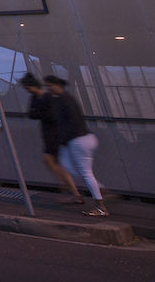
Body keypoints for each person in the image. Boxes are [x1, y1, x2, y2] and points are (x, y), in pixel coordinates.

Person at [45, 75, 108, 217]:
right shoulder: (66, 98)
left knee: (85, 172)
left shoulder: (64, 100)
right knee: (67, 166)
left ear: (57, 85)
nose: (48, 88)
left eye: (49, 86)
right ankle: (98, 188)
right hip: (81, 139)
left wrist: (63, 139)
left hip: (77, 140)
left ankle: (100, 207)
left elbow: (68, 123)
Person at [19, 73, 82, 202]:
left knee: (52, 160)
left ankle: (71, 188)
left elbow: (44, 115)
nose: (28, 91)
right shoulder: (37, 98)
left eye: (28, 88)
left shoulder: (47, 98)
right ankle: (71, 188)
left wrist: (39, 113)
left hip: (54, 133)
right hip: (49, 132)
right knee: (55, 161)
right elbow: (32, 114)